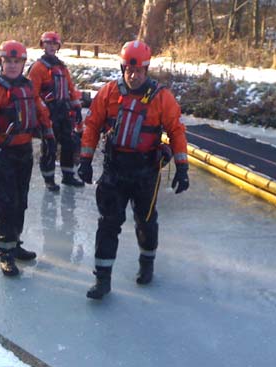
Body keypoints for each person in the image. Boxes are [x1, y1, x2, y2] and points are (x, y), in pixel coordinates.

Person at [77, 40, 190, 299]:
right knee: (108, 224)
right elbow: (92, 125)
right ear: (122, 68)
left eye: (138, 70)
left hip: (145, 173)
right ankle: (102, 280)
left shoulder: (162, 97)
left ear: (146, 70)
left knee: (146, 221)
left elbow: (176, 131)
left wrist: (182, 167)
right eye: (129, 69)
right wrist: (85, 159)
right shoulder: (108, 93)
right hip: (115, 170)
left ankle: (146, 263)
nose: (133, 75)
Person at [0, 40, 56, 276]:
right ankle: (5, 252)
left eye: (16, 61)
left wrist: (49, 137)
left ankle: (15, 243)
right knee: (5, 203)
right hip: (1, 153)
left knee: (20, 201)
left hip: (23, 152)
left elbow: (42, 111)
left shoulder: (28, 87)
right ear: (1, 62)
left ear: (23, 63)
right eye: (8, 61)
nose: (12, 66)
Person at [27, 31, 84, 192]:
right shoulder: (38, 68)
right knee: (50, 146)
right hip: (47, 113)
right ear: (42, 45)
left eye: (54, 44)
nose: (51, 47)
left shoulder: (61, 67)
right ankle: (49, 179)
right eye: (48, 44)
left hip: (63, 112)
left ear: (58, 46)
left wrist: (77, 107)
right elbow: (33, 94)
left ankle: (68, 175)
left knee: (69, 143)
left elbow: (71, 89)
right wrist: (42, 114)